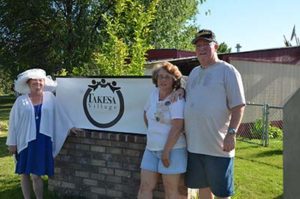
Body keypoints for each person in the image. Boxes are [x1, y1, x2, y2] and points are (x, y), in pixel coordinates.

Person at [181, 29, 246, 199]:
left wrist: (231, 134)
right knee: (203, 189)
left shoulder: (228, 71)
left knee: (222, 193)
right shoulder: (194, 73)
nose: (201, 48)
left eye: (205, 44)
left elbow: (238, 106)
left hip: (218, 147)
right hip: (195, 146)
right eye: (198, 45)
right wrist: (178, 91)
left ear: (215, 46)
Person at [6, 68, 74, 199]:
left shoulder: (50, 98)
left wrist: (70, 127)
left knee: (37, 174)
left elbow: (60, 114)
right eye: (34, 82)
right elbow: (13, 123)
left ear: (44, 82)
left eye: (40, 81)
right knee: (24, 172)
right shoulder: (21, 101)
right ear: (28, 84)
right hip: (24, 140)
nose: (37, 84)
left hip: (42, 140)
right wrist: (12, 143)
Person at [138, 62, 187, 199]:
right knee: (144, 187)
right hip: (151, 149)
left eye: (167, 77)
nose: (163, 80)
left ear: (173, 80)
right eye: (160, 77)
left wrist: (166, 152)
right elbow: (145, 114)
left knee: (171, 191)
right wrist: (153, 133)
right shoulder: (153, 94)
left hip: (173, 151)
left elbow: (177, 127)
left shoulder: (177, 99)